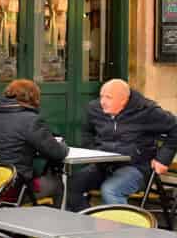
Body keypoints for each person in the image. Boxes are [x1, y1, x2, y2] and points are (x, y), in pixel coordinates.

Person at [66, 79, 177, 211]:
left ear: (123, 100)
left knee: (111, 190)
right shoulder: (94, 109)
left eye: (108, 97)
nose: (102, 102)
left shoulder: (147, 111)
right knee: (71, 184)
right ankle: (88, 222)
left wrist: (163, 159)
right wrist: (94, 151)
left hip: (136, 166)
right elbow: (86, 132)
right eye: (101, 96)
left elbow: (175, 128)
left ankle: (124, 230)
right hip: (104, 165)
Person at [0, 79, 69, 207]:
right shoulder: (30, 120)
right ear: (33, 97)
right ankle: (51, 224)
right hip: (18, 187)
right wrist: (63, 144)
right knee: (56, 184)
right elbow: (57, 153)